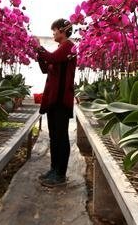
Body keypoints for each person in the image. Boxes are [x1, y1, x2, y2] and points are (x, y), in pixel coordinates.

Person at [35, 18, 77, 187]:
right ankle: (53, 170)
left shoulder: (68, 46)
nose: (52, 33)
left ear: (62, 30)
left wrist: (39, 47)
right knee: (54, 137)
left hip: (61, 100)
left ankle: (60, 174)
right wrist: (39, 54)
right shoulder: (61, 49)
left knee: (61, 136)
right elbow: (47, 67)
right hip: (54, 99)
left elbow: (51, 59)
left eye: (54, 30)